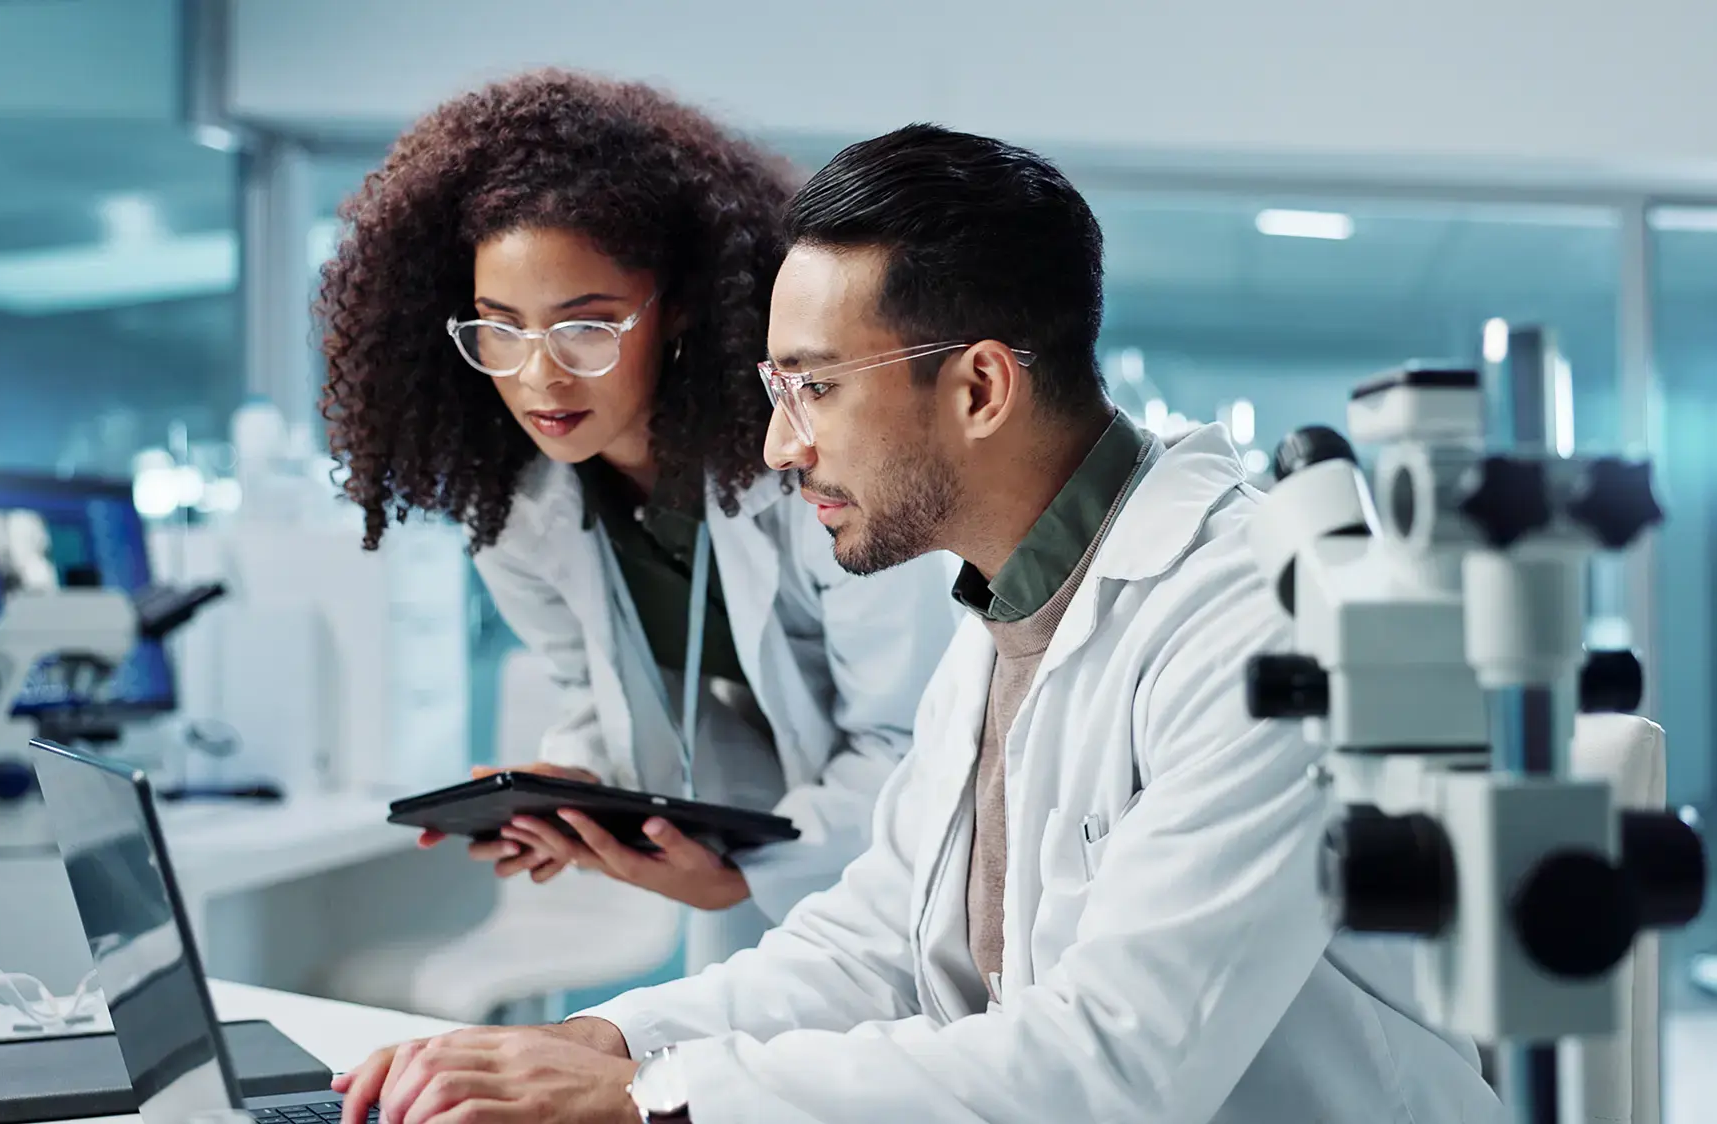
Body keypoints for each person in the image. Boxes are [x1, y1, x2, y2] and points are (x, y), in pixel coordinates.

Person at [333, 123, 1507, 1124]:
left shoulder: (1252, 617)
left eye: (814, 388)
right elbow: (879, 937)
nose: (781, 444)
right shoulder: (1003, 607)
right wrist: (609, 1043)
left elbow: (1113, 1062)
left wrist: (656, 1100)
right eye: (775, 390)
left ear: (981, 388)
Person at [317, 72, 957, 961]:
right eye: (499, 327)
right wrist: (578, 784)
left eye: (587, 326)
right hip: (759, 866)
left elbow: (910, 741)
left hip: (929, 870)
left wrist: (749, 874)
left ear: (682, 304)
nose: (539, 377)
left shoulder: (817, 468)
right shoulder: (519, 510)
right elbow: (596, 687)